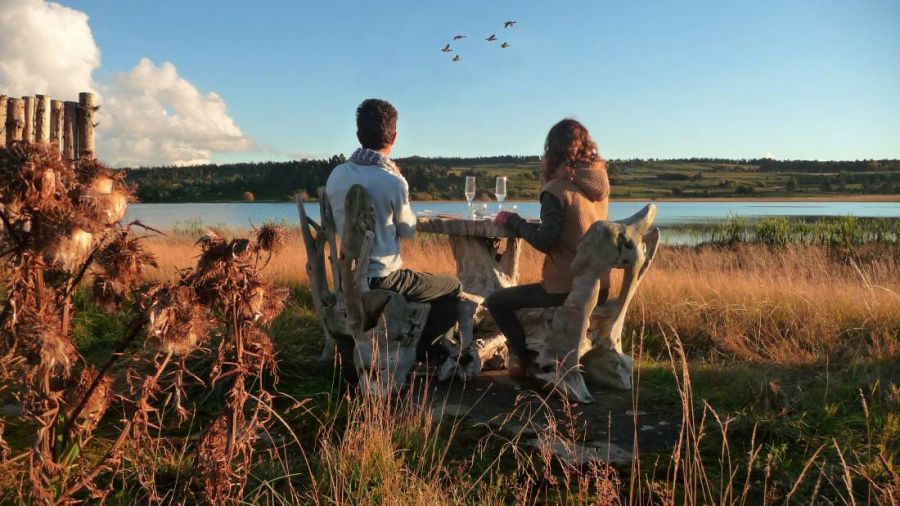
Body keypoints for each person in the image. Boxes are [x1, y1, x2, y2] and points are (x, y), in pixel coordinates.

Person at [325, 98, 462, 359]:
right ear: (394, 136)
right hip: (383, 279)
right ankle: (419, 352)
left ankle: (392, 344)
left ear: (358, 134)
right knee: (452, 286)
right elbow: (408, 231)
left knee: (428, 286)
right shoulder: (393, 181)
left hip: (347, 279)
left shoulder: (337, 175)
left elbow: (331, 222)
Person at [487, 119, 611, 377]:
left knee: (497, 301)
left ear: (551, 152)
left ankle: (525, 360)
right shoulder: (598, 186)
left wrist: (514, 221)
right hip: (600, 285)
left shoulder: (556, 189)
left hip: (569, 286)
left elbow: (545, 242)